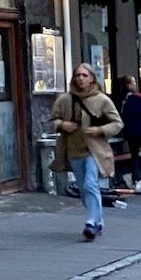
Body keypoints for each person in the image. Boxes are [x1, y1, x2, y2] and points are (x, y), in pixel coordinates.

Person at [50, 64, 122, 241]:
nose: (80, 79)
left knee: (91, 184)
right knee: (83, 188)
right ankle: (98, 221)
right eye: (77, 75)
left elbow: (117, 123)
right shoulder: (65, 99)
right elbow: (52, 120)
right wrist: (61, 125)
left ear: (92, 78)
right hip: (73, 150)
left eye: (84, 75)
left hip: (94, 151)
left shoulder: (102, 99)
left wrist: (99, 130)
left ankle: (91, 222)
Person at [117, 77, 141, 192]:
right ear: (128, 84)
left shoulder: (121, 99)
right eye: (133, 82)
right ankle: (135, 177)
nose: (135, 84)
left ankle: (135, 177)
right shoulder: (138, 98)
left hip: (129, 131)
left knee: (135, 155)